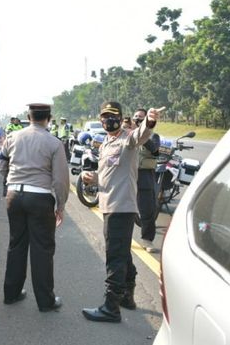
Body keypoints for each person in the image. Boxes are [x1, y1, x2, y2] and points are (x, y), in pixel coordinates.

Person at [80, 101, 160, 323]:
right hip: (108, 205)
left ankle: (110, 307)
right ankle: (127, 296)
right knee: (123, 254)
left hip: (121, 207)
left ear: (120, 117)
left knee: (114, 257)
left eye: (112, 116)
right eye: (104, 116)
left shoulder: (129, 138)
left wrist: (149, 121)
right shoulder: (106, 142)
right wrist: (93, 178)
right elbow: (108, 173)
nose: (108, 120)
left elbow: (142, 134)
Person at [0, 103, 70, 312]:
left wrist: (11, 181)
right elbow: (60, 179)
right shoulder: (54, 143)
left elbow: (0, 165)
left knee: (16, 244)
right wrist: (60, 205)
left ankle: (11, 294)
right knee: (42, 249)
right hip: (39, 198)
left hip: (14, 196)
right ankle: (45, 301)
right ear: (49, 118)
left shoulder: (12, 138)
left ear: (28, 117)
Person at [132, 108, 160, 252]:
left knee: (148, 210)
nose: (137, 119)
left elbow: (155, 150)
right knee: (122, 207)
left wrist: (144, 133)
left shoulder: (154, 136)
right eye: (135, 117)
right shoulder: (127, 134)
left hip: (144, 175)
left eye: (141, 118)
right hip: (128, 175)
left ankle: (147, 240)